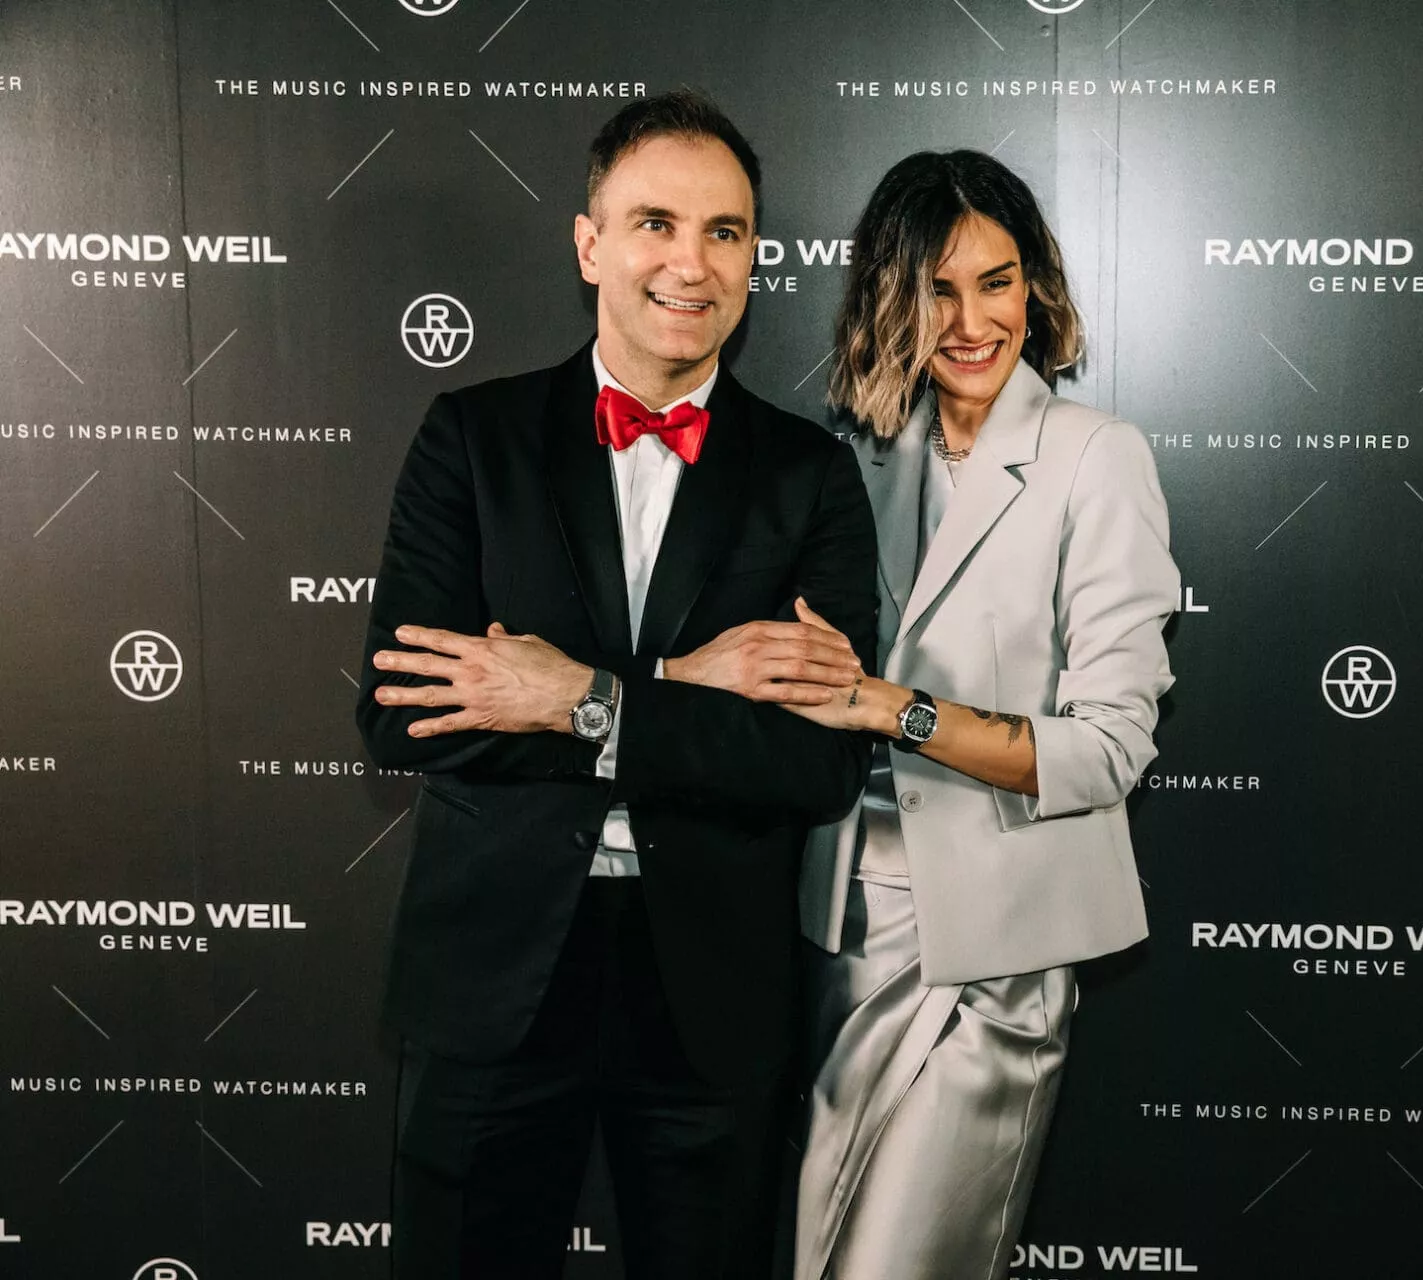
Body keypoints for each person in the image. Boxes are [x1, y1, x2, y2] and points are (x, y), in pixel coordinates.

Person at [354, 90, 877, 1280]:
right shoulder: (472, 437)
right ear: (590, 244)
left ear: (754, 255)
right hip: (493, 973)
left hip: (712, 989)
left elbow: (815, 759)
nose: (691, 263)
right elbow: (405, 709)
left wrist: (573, 694)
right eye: (655, 223)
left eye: (725, 231)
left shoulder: (807, 475)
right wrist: (681, 684)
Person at [774, 149, 1180, 1280]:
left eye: (995, 283)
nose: (968, 322)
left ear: (1035, 287)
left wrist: (896, 710)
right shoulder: (852, 457)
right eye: (935, 289)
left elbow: (1109, 746)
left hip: (994, 956)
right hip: (840, 938)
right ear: (890, 298)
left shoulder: (1095, 458)